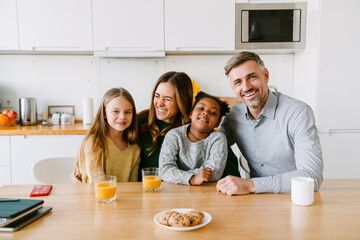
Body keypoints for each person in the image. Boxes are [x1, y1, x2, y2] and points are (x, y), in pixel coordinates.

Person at [216, 51, 323, 195]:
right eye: (238, 82)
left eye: (252, 77)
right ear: (233, 88)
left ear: (265, 76)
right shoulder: (234, 115)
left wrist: (250, 184)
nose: (246, 87)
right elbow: (214, 146)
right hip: (255, 200)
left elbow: (312, 177)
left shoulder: (298, 112)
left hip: (294, 197)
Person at [159, 92, 230, 185]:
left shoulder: (219, 138)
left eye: (213, 113)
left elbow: (215, 172)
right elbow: (165, 170)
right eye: (201, 108)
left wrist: (178, 176)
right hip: (175, 191)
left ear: (218, 123)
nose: (205, 113)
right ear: (191, 114)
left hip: (206, 191)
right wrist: (192, 179)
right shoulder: (174, 135)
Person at [75, 87, 140, 183]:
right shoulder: (94, 142)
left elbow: (132, 185)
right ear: (104, 113)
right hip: (95, 196)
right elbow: (99, 183)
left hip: (124, 197)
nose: (122, 117)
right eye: (115, 111)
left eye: (127, 112)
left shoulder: (134, 149)